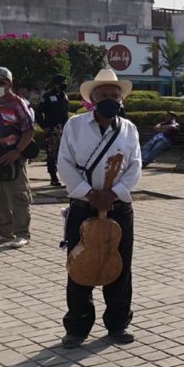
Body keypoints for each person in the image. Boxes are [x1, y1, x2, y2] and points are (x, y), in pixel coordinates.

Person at [57, 69, 141, 349]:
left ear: (121, 99)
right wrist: (89, 193)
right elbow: (64, 164)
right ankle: (77, 326)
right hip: (83, 205)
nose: (110, 99)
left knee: (119, 265)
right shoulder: (75, 126)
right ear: (92, 99)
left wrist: (113, 194)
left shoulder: (129, 129)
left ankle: (118, 323)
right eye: (103, 95)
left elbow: (135, 167)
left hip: (118, 207)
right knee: (80, 265)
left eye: (114, 95)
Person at [0, 67, 35, 248]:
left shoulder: (19, 104)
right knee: (0, 196)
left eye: (0, 83)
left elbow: (29, 130)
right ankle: (5, 231)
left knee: (18, 195)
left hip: (14, 156)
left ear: (9, 84)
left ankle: (22, 233)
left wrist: (18, 151)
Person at [37, 74, 70, 186]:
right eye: (61, 83)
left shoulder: (64, 96)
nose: (64, 85)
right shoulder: (47, 96)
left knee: (65, 154)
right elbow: (38, 112)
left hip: (64, 129)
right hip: (52, 129)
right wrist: (44, 126)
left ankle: (66, 177)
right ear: (55, 84)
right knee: (52, 153)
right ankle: (53, 177)